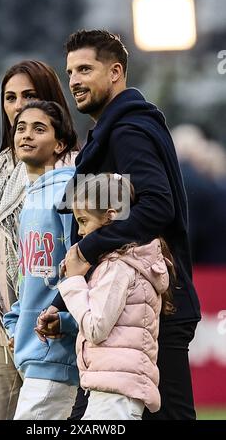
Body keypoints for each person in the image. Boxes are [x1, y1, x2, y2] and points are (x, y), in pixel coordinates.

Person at [37, 29, 201, 420]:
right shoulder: (119, 130)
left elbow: (156, 208)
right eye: (70, 71)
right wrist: (63, 303)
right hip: (135, 306)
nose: (74, 80)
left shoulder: (127, 131)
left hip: (152, 307)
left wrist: (83, 252)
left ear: (115, 72)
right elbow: (104, 227)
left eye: (85, 69)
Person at [0, 60, 77, 420]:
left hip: (45, 324)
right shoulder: (0, 168)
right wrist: (6, 318)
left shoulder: (75, 172)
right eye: (10, 97)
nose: (17, 105)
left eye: (29, 95)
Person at [56, 173, 173, 420]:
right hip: (114, 389)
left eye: (83, 221)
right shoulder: (124, 263)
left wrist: (74, 281)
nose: (80, 231)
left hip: (115, 393)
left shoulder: (118, 267)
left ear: (110, 216)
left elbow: (97, 328)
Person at [3, 101, 78, 420]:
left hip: (57, 352)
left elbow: (84, 268)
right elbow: (29, 275)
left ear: (60, 143)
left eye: (39, 128)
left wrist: (66, 321)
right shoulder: (31, 196)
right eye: (20, 128)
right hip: (30, 351)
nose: (26, 135)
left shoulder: (72, 190)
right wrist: (15, 320)